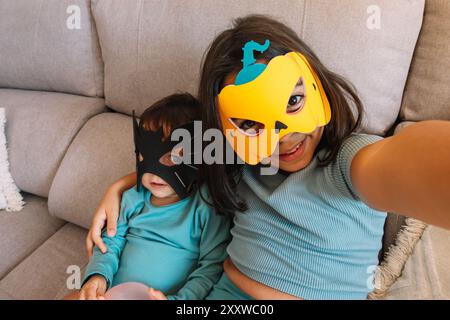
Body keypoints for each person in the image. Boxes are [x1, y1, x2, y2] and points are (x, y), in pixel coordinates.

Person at [86, 15, 450, 300]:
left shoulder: (348, 160)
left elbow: (407, 162)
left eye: (294, 102)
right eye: (249, 123)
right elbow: (169, 161)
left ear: (317, 85)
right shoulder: (239, 159)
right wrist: (119, 187)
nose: (285, 136)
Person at [72, 93, 230, 300]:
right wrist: (98, 277)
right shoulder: (134, 198)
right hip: (112, 293)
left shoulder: (206, 206)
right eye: (144, 157)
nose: (154, 173)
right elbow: (110, 243)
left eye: (171, 158)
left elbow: (211, 267)